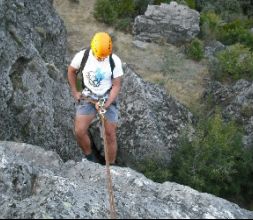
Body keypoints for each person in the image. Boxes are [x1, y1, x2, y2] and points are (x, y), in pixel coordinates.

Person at [67, 32, 124, 164]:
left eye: (104, 57)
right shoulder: (83, 56)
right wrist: (75, 91)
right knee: (79, 131)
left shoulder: (113, 61)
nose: (101, 59)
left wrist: (108, 103)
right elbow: (71, 71)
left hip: (107, 97)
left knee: (110, 135)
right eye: (99, 57)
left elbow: (116, 85)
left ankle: (111, 164)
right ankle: (91, 158)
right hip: (88, 96)